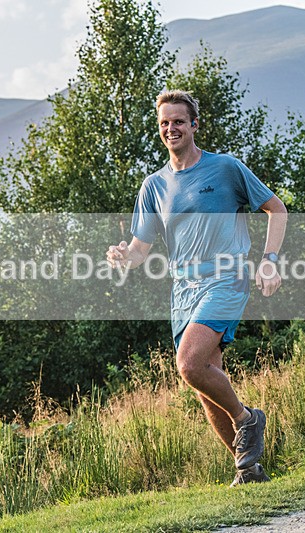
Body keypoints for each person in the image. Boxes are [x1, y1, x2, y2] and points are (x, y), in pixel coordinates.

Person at [107, 90, 287, 486]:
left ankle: (247, 418)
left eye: (178, 121)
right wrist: (124, 256)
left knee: (189, 364)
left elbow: (277, 209)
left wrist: (270, 261)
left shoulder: (225, 168)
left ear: (194, 125)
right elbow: (141, 250)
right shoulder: (153, 186)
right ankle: (249, 470)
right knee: (205, 385)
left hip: (227, 276)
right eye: (164, 122)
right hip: (183, 289)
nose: (171, 128)